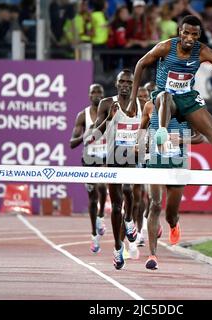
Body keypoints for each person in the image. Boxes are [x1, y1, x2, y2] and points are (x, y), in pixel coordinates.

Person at [128, 15, 212, 159]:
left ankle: (169, 140)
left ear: (199, 35)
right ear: (179, 32)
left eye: (194, 34)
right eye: (186, 33)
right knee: (165, 95)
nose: (189, 38)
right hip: (165, 98)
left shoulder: (204, 51)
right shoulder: (166, 47)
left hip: (187, 98)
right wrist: (132, 100)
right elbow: (141, 64)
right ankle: (161, 138)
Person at [137, 88, 203, 270]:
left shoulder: (186, 109)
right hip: (155, 163)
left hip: (177, 165)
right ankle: (152, 255)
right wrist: (140, 146)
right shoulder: (149, 106)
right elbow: (141, 132)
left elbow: (200, 137)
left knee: (170, 214)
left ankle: (174, 224)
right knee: (155, 204)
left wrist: (177, 140)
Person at [88, 69, 147, 269]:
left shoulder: (142, 105)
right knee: (115, 206)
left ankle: (129, 220)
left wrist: (143, 145)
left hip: (132, 158)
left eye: (129, 82)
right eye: (121, 81)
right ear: (116, 83)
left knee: (129, 191)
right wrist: (110, 118)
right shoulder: (107, 104)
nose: (125, 85)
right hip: (113, 159)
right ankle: (117, 248)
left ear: (134, 85)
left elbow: (147, 130)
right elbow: (96, 133)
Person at [70, 84, 107, 253]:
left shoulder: (108, 113)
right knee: (92, 198)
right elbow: (72, 143)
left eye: (99, 92)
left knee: (102, 186)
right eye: (93, 92)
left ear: (103, 95)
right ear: (89, 95)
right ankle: (94, 235)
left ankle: (101, 216)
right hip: (88, 158)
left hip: (107, 157)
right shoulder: (82, 116)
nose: (97, 95)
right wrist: (85, 136)